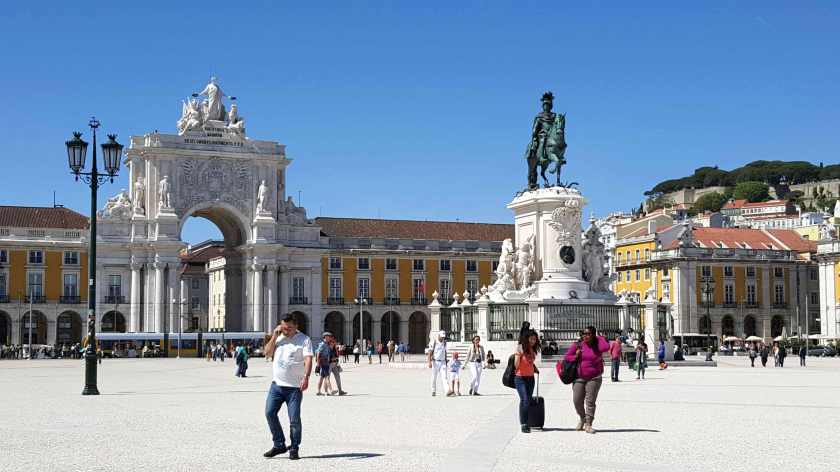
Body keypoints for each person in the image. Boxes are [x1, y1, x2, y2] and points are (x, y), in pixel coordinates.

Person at [263, 314, 313, 461]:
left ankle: (294, 448)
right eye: (284, 328)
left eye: (289, 328)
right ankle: (279, 444)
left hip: (294, 388)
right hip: (276, 385)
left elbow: (308, 358)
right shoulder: (278, 338)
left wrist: (306, 376)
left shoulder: (304, 340)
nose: (286, 331)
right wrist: (274, 336)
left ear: (296, 326)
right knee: (269, 413)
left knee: (294, 419)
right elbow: (267, 353)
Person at [564, 326, 609, 434]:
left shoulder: (597, 345)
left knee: (590, 401)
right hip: (579, 377)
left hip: (594, 377)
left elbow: (606, 347)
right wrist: (575, 356)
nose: (586, 336)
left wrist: (599, 337)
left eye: (589, 334)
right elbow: (567, 357)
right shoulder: (578, 345)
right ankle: (582, 417)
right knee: (577, 400)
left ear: (593, 335)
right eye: (584, 333)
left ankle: (588, 424)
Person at [514, 329, 540, 433]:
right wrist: (518, 372)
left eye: (534, 339)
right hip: (520, 378)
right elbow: (516, 363)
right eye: (531, 339)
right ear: (527, 338)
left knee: (526, 400)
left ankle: (524, 421)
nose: (533, 341)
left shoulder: (533, 349)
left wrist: (534, 368)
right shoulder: (520, 348)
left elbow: (530, 362)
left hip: (530, 378)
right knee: (525, 399)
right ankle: (524, 424)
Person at [427, 330, 449, 397]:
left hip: (443, 362)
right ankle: (433, 390)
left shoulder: (445, 342)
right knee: (434, 377)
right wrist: (429, 362)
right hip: (435, 362)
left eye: (443, 337)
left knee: (444, 377)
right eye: (442, 337)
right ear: (438, 335)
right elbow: (430, 353)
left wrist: (446, 360)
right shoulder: (434, 342)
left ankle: (447, 391)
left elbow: (445, 352)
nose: (443, 338)